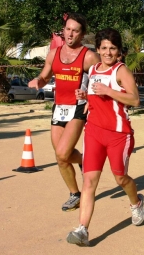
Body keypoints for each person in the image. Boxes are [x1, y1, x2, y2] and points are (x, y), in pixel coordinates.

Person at [66, 28, 144, 246]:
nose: (108, 52)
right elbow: (95, 100)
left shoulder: (121, 71)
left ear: (118, 51)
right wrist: (85, 96)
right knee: (89, 181)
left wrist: (108, 91)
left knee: (121, 178)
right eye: (104, 48)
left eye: (112, 48)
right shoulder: (92, 71)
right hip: (93, 132)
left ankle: (136, 203)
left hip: (119, 134)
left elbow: (135, 100)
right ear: (98, 48)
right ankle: (82, 229)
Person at [28, 13, 100, 211]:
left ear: (82, 34)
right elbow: (44, 76)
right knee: (61, 157)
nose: (70, 34)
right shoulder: (54, 53)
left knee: (62, 152)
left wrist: (88, 93)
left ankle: (82, 172)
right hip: (59, 107)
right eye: (67, 29)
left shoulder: (89, 56)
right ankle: (75, 193)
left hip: (78, 107)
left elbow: (101, 80)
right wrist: (38, 82)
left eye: (75, 30)